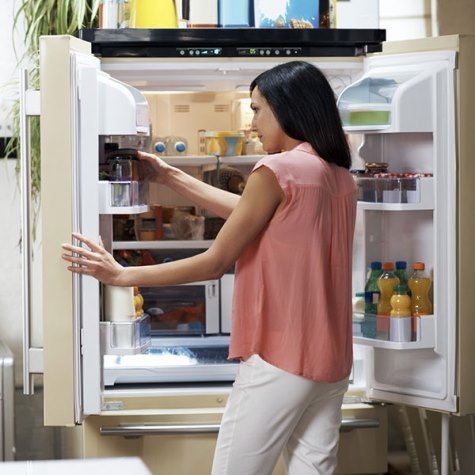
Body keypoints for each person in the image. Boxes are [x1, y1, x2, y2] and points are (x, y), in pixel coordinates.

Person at [62, 60, 357, 475]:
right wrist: (169, 175)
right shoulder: (338, 176)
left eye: (256, 110)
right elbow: (251, 213)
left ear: (287, 107)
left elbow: (215, 262)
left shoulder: (277, 170)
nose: (252, 124)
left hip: (281, 356)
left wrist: (121, 274)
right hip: (332, 362)